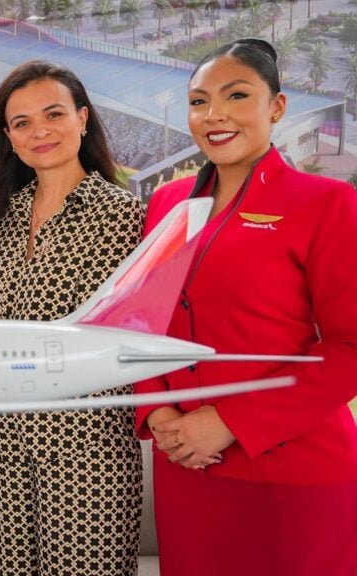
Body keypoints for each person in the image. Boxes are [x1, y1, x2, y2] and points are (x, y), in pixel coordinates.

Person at [135, 38, 357, 576]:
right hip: (187, 466)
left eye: (236, 96)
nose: (215, 116)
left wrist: (232, 421)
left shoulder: (328, 203)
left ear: (276, 107)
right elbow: (144, 323)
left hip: (291, 468)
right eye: (198, 101)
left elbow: (350, 347)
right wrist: (158, 412)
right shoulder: (168, 201)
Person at [0, 61, 144, 575]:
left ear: (83, 120)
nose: (39, 131)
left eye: (53, 114)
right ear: (9, 138)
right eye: (22, 123)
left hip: (86, 448)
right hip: (8, 444)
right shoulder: (8, 213)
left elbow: (109, 345)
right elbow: (11, 329)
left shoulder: (122, 217)